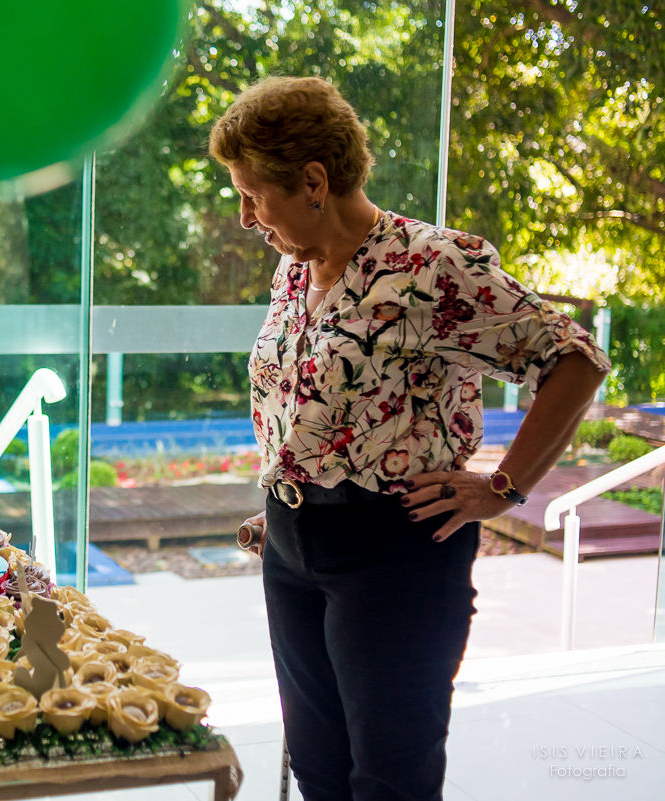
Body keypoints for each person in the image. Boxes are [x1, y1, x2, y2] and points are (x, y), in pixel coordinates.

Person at [209, 76, 610, 801]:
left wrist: (503, 485)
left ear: (313, 181)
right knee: (318, 771)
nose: (243, 216)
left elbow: (574, 359)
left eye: (251, 194)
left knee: (390, 781)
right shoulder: (294, 268)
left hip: (393, 554)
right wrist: (287, 497)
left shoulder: (430, 264)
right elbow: (314, 403)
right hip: (292, 548)